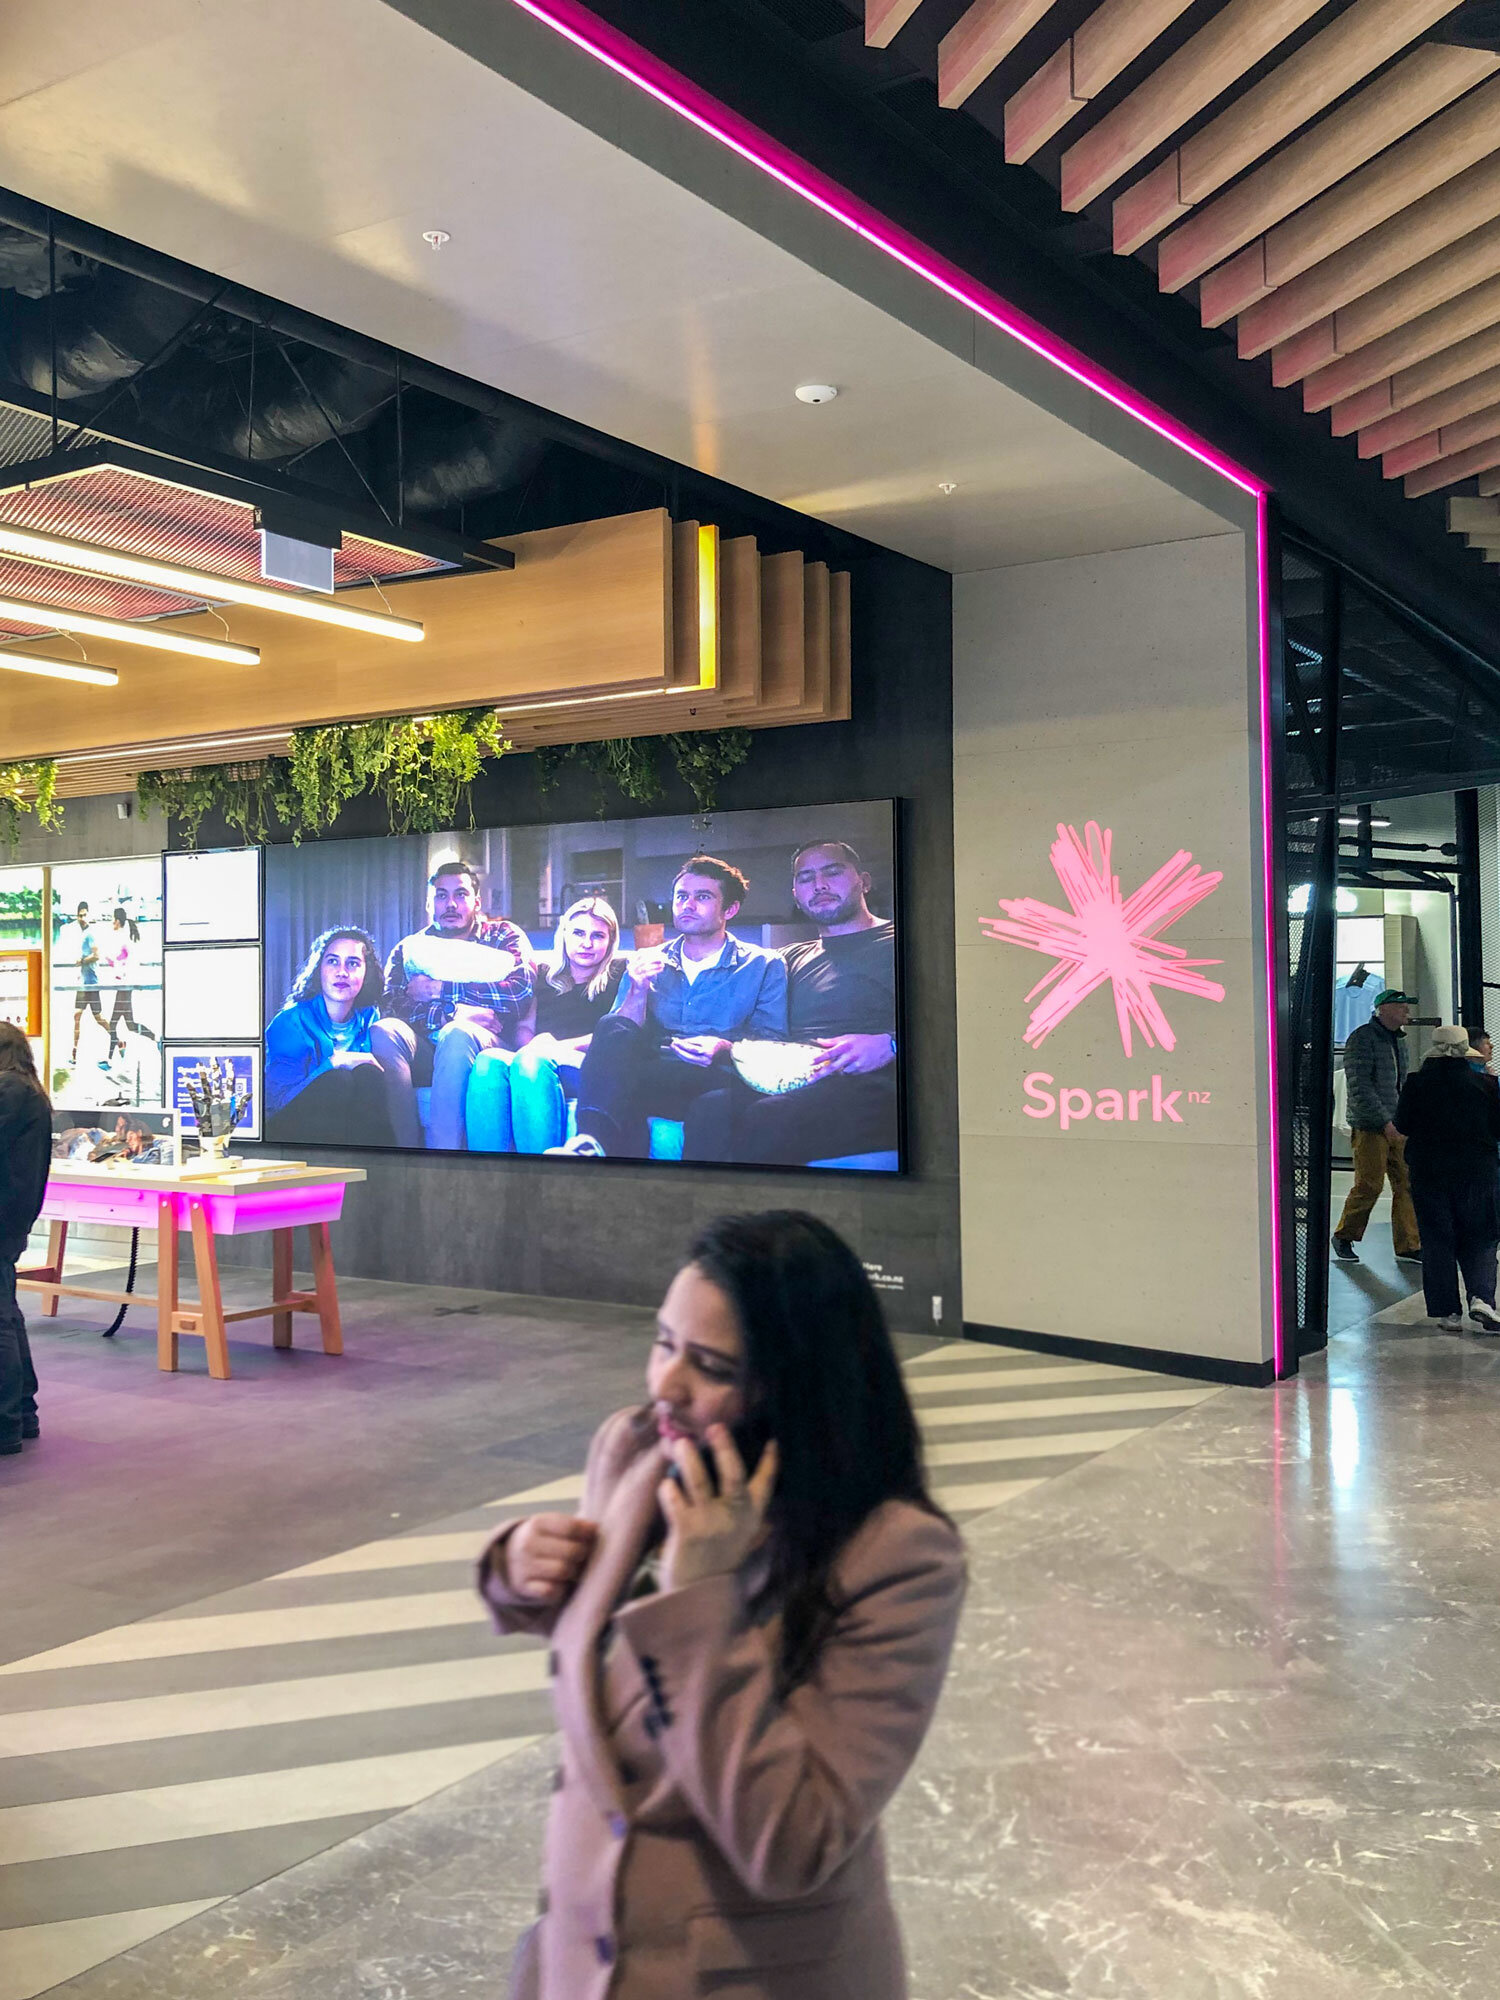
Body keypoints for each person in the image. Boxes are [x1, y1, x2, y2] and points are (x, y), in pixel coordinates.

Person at [478, 1211, 965, 2000]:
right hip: (578, 1960)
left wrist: (701, 1601)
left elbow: (794, 1842)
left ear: (798, 1386)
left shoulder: (896, 1556)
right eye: (663, 1341)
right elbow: (602, 1650)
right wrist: (517, 1566)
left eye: (710, 1365)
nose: (666, 1384)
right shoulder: (638, 1448)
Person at [558, 857, 787, 1160]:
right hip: (658, 1069)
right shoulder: (648, 958)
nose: (687, 905)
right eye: (681, 896)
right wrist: (638, 988)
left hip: (720, 1074)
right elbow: (617, 1037)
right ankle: (590, 1144)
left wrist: (723, 1047)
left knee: (713, 1107)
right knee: (610, 1028)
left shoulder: (764, 965)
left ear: (729, 909)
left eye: (702, 897)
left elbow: (772, 1044)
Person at [685, 840, 898, 1166]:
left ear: (864, 882)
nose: (819, 885)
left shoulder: (902, 940)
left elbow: (957, 1019)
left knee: (769, 1117)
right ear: (796, 894)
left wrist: (892, 1044)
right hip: (793, 1079)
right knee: (709, 1109)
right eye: (806, 878)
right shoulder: (786, 959)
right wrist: (725, 1047)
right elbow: (760, 1029)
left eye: (832, 872)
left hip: (872, 1083)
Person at [373, 859, 534, 1151]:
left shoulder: (503, 936)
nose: (451, 904)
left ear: (476, 901)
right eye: (441, 895)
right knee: (385, 1031)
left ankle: (441, 1158)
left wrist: (439, 990)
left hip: (488, 1043)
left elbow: (517, 995)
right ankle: (403, 1153)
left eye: (460, 894)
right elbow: (391, 1005)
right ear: (429, 904)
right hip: (426, 1046)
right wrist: (453, 1011)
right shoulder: (412, 947)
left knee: (457, 1033)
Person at [466, 898, 628, 1153]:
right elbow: (524, 1028)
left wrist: (553, 1048)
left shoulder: (620, 972)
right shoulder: (543, 973)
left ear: (611, 941)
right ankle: (487, 1174)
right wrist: (532, 1047)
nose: (587, 943)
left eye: (598, 935)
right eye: (578, 933)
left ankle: (540, 1178)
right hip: (536, 1055)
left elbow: (618, 1032)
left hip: (586, 1062)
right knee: (488, 1061)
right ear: (564, 935)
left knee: (531, 1062)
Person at [1393, 1024, 1500, 1333]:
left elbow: (1403, 1125)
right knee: (1481, 1237)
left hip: (1429, 1172)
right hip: (1477, 1171)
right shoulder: (1488, 1085)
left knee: (1438, 1240)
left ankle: (1446, 1312)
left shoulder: (1416, 1084)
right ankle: (1481, 1297)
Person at [265, 927, 402, 1147]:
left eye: (353, 963)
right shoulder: (290, 1022)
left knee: (368, 1074)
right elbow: (277, 1103)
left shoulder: (369, 1016)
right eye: (333, 961)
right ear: (319, 969)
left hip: (344, 1128)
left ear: (366, 973)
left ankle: (382, 1171)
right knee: (338, 1079)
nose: (342, 972)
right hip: (287, 1130)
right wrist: (333, 1063)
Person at [1332, 988, 1422, 1266]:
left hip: (1396, 1123)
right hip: (1371, 1126)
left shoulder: (1398, 1041)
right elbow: (1360, 1087)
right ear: (1383, 1009)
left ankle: (1409, 1244)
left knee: (1406, 1182)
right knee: (1370, 1183)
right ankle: (1344, 1235)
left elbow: (1401, 1084)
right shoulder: (1362, 1039)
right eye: (1401, 1006)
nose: (1406, 1011)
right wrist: (1384, 1122)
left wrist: (1402, 1119)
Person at [0, 1022, 51, 1454]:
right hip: (12, 1218)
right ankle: (22, 1413)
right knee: (8, 1315)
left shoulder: (9, 1093)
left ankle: (6, 1425)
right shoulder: (28, 1091)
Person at [101, 907, 158, 1062]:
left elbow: (123, 957)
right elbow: (124, 959)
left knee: (114, 1023)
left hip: (125, 985)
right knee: (130, 1025)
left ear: (118, 921)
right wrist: (113, 962)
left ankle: (109, 1059)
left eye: (113, 919)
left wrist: (110, 960)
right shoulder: (126, 935)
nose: (111, 922)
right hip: (126, 984)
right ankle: (155, 1040)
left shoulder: (122, 937)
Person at [62, 901, 104, 1066]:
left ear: (89, 915)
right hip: (84, 983)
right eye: (80, 915)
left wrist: (82, 961)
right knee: (77, 1015)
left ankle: (118, 1040)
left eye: (85, 915)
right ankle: (74, 1053)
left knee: (99, 1018)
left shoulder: (90, 933)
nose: (82, 918)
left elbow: (97, 955)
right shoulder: (82, 933)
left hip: (92, 982)